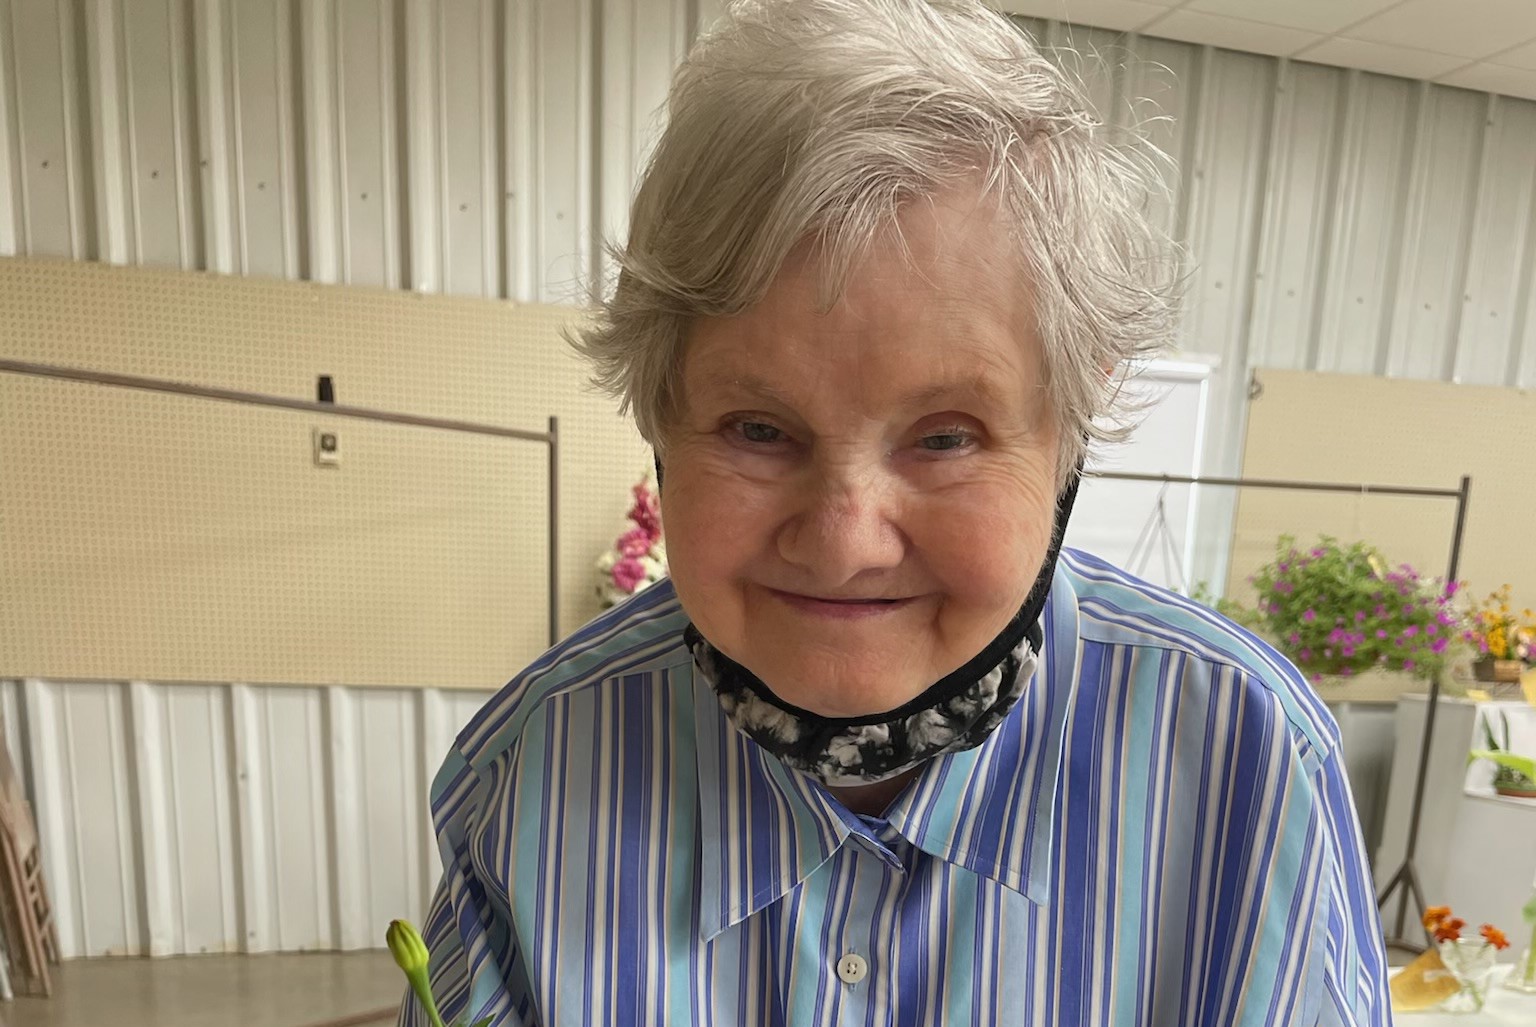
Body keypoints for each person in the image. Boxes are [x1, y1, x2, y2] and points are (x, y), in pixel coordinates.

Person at [403, 1, 1390, 1023]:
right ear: (661, 416)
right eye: (756, 429)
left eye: (947, 435)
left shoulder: (1248, 763)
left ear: (1069, 432)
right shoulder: (528, 778)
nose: (843, 542)